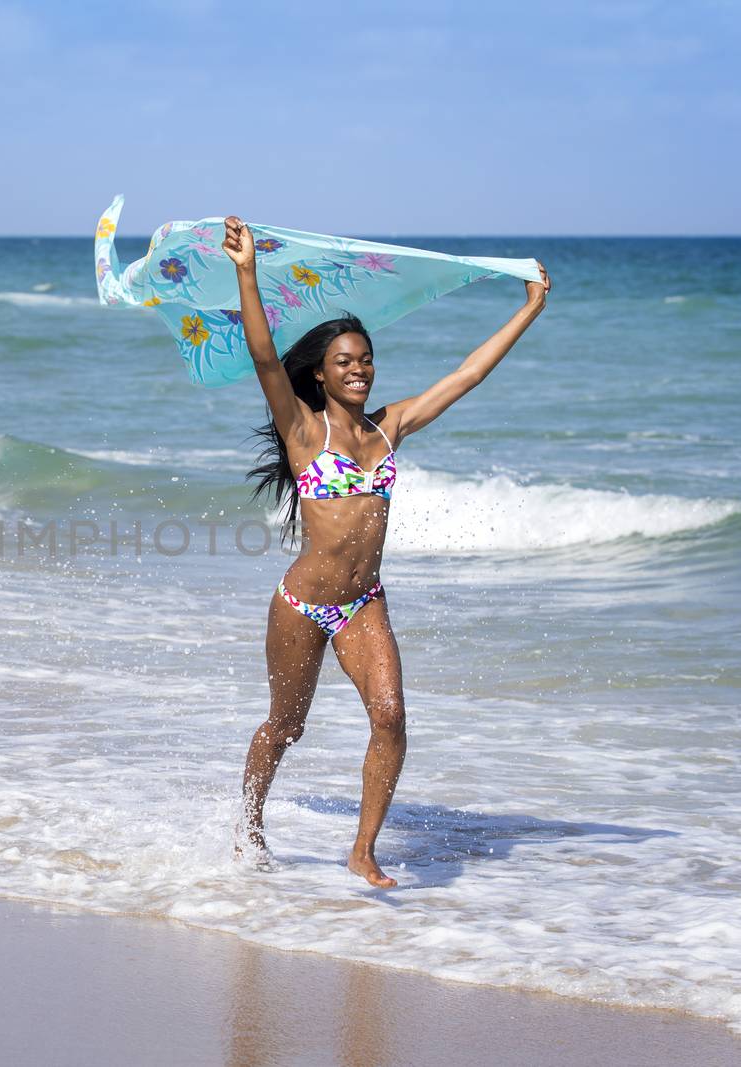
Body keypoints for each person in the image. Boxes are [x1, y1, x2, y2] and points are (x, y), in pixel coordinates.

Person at [225, 215, 550, 887]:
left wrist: (530, 308)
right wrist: (247, 271)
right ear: (319, 374)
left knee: (392, 717)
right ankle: (248, 819)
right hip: (302, 604)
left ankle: (363, 848)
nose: (360, 370)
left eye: (366, 359)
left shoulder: (388, 427)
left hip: (363, 602)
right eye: (345, 361)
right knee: (286, 728)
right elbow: (262, 357)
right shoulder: (304, 430)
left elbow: (465, 376)